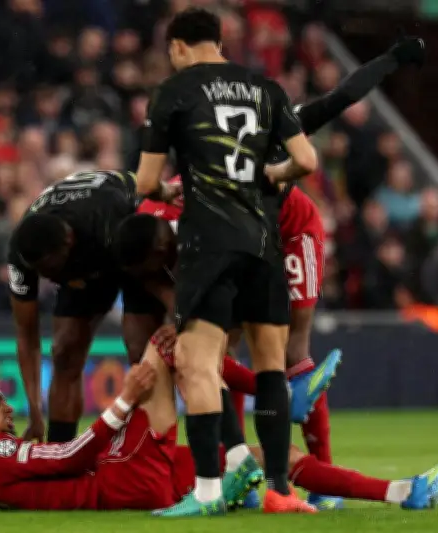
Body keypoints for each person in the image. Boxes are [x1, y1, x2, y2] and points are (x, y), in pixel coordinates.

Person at [130, 32, 426, 511]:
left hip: (292, 229)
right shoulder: (187, 187)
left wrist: (389, 60)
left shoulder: (263, 132)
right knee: (216, 352)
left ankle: (321, 480)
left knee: (291, 351)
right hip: (240, 245)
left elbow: (340, 98)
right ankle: (243, 464)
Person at [135, 7, 318, 516]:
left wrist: (172, 189)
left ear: (177, 47)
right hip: (263, 242)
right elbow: (306, 161)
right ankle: (280, 491)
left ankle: (210, 493)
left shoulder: (174, 92)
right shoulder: (267, 89)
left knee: (198, 362)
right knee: (269, 368)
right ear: (219, 41)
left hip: (209, 242)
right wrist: (272, 175)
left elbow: (146, 184)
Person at [0, 335, 438, 513]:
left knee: (272, 459)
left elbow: (47, 475)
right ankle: (277, 392)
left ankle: (404, 492)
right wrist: (122, 402)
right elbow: (71, 456)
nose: (7, 409)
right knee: (167, 344)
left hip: (132, 476)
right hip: (126, 477)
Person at [7, 170, 166, 444]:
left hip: (132, 239)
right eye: (42, 273)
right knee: (65, 350)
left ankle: (150, 448)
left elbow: (157, 279)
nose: (50, 280)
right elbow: (26, 333)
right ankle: (60, 453)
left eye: (53, 270)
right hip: (86, 260)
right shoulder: (23, 251)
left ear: (69, 241)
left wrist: (178, 318)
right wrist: (34, 413)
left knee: (141, 348)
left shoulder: (108, 219)